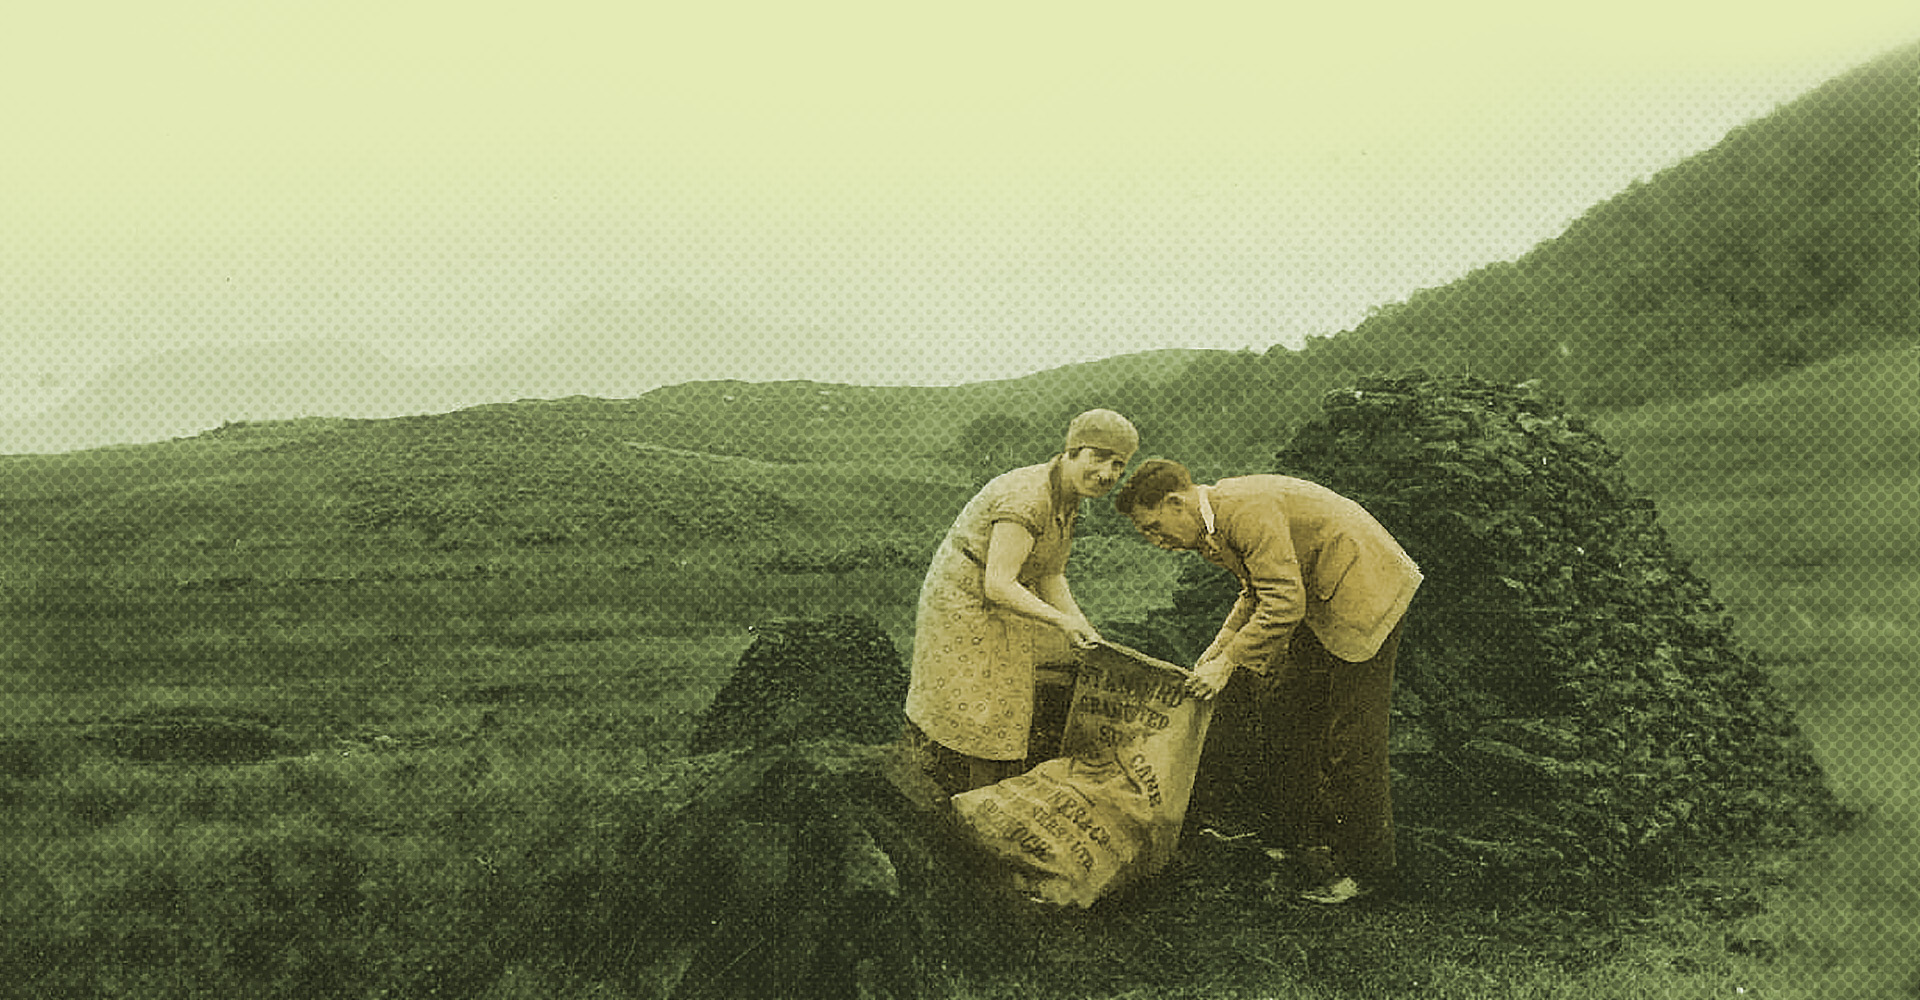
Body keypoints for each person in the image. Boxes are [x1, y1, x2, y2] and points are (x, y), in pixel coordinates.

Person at [1112, 458, 1421, 904]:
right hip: (1316, 592)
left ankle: (1368, 871)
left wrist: (1227, 664)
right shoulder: (1212, 523)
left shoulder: (1245, 510)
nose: (1155, 541)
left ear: (1177, 503)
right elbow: (1254, 592)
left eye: (1154, 528)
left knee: (1352, 736)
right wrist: (1215, 652)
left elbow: (1283, 604)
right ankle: (1300, 841)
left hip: (1365, 588)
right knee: (1285, 709)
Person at [903, 409, 1140, 796]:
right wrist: (1062, 622)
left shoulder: (1069, 499)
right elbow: (997, 584)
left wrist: (1083, 628)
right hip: (966, 595)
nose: (1107, 473)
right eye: (1098, 457)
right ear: (1072, 451)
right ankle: (972, 792)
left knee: (1059, 663)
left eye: (1118, 465)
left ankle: (1016, 770)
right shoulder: (1028, 496)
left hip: (1010, 592)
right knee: (987, 699)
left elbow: (1051, 575)